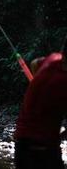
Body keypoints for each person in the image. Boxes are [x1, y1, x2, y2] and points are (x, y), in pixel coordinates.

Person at [14, 36, 67, 169]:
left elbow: (34, 63)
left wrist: (38, 85)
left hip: (21, 142)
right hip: (42, 148)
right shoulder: (63, 82)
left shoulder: (54, 58)